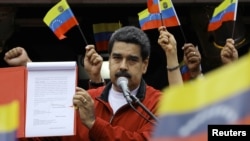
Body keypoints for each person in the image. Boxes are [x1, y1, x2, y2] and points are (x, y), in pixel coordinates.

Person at [61, 26, 162, 141]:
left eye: (132, 60)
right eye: (117, 58)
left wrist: (94, 123)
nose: (123, 66)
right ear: (109, 61)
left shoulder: (160, 103)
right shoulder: (85, 99)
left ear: (144, 65)